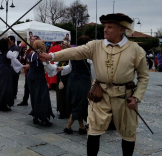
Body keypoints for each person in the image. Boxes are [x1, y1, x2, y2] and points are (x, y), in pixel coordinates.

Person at [39, 13, 149, 156]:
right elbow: (75, 51)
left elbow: (144, 76)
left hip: (124, 97)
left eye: (110, 27)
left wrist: (136, 97)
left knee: (128, 132)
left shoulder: (136, 50)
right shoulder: (96, 46)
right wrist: (52, 56)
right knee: (93, 131)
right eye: (105, 26)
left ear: (121, 29)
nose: (105, 30)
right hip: (100, 95)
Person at [62, 36, 92, 135]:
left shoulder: (73, 53)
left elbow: (69, 67)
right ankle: (68, 126)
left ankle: (81, 127)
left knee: (76, 102)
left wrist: (60, 70)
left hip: (72, 80)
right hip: (83, 82)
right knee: (81, 103)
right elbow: (93, 71)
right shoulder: (89, 56)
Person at [27, 39, 57, 126]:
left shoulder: (31, 54)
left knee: (34, 96)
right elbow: (49, 67)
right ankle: (43, 117)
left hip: (31, 77)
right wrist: (56, 66)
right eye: (43, 44)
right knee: (42, 97)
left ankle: (36, 116)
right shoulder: (40, 55)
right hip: (38, 78)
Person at [0, 38, 23, 111]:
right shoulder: (8, 52)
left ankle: (1, 103)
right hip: (6, 71)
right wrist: (21, 66)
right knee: (5, 87)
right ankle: (3, 105)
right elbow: (14, 61)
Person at [17, 35, 39, 106]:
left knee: (34, 89)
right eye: (31, 39)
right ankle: (25, 100)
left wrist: (29, 65)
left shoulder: (39, 50)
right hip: (28, 72)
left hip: (35, 72)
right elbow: (24, 58)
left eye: (33, 39)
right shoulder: (29, 50)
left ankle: (36, 103)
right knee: (26, 87)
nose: (32, 41)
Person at [55, 41, 71, 119]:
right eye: (62, 46)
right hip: (60, 76)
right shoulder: (59, 54)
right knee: (60, 94)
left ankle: (68, 111)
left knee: (67, 94)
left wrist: (62, 68)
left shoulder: (70, 55)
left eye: (64, 45)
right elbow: (55, 63)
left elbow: (70, 66)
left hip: (68, 76)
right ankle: (61, 111)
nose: (63, 47)